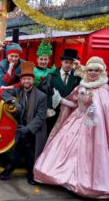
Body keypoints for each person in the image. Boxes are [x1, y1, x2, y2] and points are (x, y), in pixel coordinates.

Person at [34, 57, 109, 199]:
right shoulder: (81, 87)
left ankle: (85, 182)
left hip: (94, 129)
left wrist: (95, 113)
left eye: (96, 70)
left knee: (87, 153)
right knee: (64, 149)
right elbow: (74, 104)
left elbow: (105, 111)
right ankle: (63, 177)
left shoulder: (104, 89)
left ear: (101, 72)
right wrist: (62, 100)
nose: (93, 73)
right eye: (90, 70)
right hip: (75, 121)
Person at [0, 61, 47, 185]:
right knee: (23, 143)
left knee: (28, 147)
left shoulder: (41, 96)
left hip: (35, 129)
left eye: (29, 79)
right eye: (24, 79)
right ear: (21, 80)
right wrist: (13, 102)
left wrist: (29, 129)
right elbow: (3, 93)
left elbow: (41, 117)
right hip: (20, 126)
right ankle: (29, 173)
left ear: (32, 80)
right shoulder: (19, 91)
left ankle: (12, 169)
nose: (26, 81)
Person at [45, 48, 81, 132]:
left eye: (71, 63)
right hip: (53, 112)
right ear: (61, 62)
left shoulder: (77, 77)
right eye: (66, 62)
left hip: (69, 112)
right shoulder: (51, 75)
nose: (68, 65)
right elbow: (45, 93)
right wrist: (48, 107)